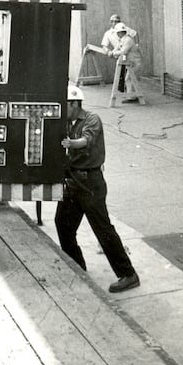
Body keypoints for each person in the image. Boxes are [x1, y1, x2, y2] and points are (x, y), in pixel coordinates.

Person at [55, 84, 140, 293]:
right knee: (63, 224)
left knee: (102, 229)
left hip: (90, 182)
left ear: (74, 104)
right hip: (73, 181)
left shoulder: (92, 119)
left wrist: (69, 144)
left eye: (65, 105)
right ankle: (77, 266)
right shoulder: (65, 123)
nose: (62, 110)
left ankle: (128, 274)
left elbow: (87, 140)